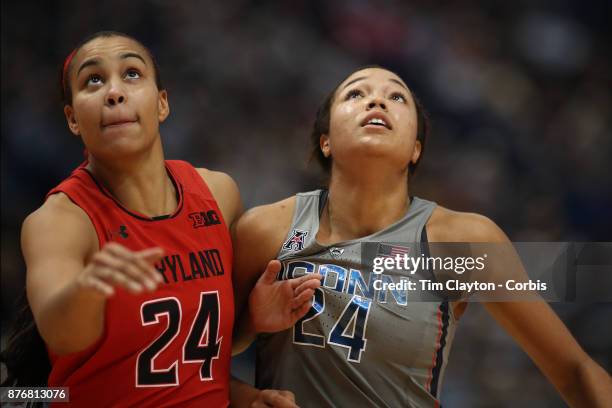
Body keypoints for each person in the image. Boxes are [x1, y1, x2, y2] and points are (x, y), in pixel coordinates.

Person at [232, 66, 612, 407]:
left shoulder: (461, 241)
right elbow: (193, 359)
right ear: (325, 140)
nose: (377, 100)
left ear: (416, 149)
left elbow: (575, 369)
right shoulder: (267, 229)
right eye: (355, 94)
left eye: (396, 96)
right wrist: (249, 393)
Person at [7, 30, 320, 407]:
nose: (114, 91)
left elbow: (195, 356)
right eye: (93, 80)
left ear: (162, 104)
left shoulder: (218, 194)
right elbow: (63, 335)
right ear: (73, 119)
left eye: (132, 74)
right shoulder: (60, 220)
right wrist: (88, 288)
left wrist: (248, 390)